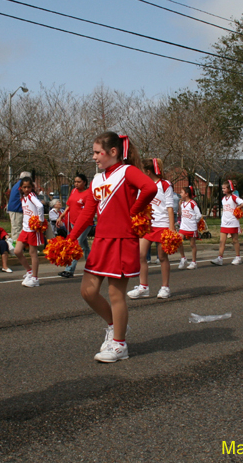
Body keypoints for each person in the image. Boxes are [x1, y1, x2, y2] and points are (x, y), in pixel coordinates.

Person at [66, 132, 156, 363]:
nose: (94, 157)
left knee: (116, 295)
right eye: (94, 152)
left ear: (113, 152)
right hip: (101, 241)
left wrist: (133, 211)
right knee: (88, 291)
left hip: (122, 240)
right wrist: (71, 238)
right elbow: (88, 213)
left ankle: (119, 345)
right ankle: (112, 326)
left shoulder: (127, 171)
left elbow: (149, 188)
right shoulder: (97, 179)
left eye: (98, 152)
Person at [129, 158, 175, 299]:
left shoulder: (165, 185)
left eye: (143, 171)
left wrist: (171, 228)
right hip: (147, 225)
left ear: (148, 171)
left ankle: (165, 287)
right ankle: (144, 287)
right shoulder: (142, 185)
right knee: (141, 255)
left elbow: (169, 207)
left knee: (162, 257)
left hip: (162, 225)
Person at [57, 174, 93, 279]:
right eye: (75, 182)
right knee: (85, 247)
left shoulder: (88, 194)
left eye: (79, 182)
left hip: (84, 224)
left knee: (75, 246)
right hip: (73, 223)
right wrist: (61, 216)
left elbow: (89, 210)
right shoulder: (73, 191)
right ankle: (92, 266)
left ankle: (69, 270)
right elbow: (69, 205)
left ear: (84, 182)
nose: (76, 184)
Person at [14, 177, 44, 287]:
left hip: (33, 229)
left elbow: (40, 206)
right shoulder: (24, 197)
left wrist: (40, 220)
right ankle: (29, 271)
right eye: (24, 187)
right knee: (17, 251)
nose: (26, 189)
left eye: (28, 187)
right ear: (21, 188)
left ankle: (35, 279)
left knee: (33, 253)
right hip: (25, 229)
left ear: (32, 187)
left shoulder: (31, 196)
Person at [211, 181, 243, 266]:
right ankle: (220, 258)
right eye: (222, 188)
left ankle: (238, 257)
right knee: (222, 241)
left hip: (233, 222)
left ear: (230, 189)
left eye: (224, 188)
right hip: (224, 222)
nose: (222, 189)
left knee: (234, 240)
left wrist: (238, 208)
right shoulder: (223, 199)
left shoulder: (234, 197)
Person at [177, 186, 201, 270]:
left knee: (192, 244)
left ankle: (194, 262)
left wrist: (195, 222)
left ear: (186, 194)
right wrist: (179, 206)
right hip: (183, 226)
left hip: (191, 227)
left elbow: (199, 215)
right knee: (178, 241)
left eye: (181, 192)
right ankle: (183, 258)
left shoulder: (192, 203)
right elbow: (180, 214)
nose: (180, 194)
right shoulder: (182, 203)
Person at [7, 172, 32, 241]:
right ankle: (16, 246)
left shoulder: (17, 184)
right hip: (16, 209)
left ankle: (20, 245)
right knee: (17, 229)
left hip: (16, 209)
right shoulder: (21, 186)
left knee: (18, 228)